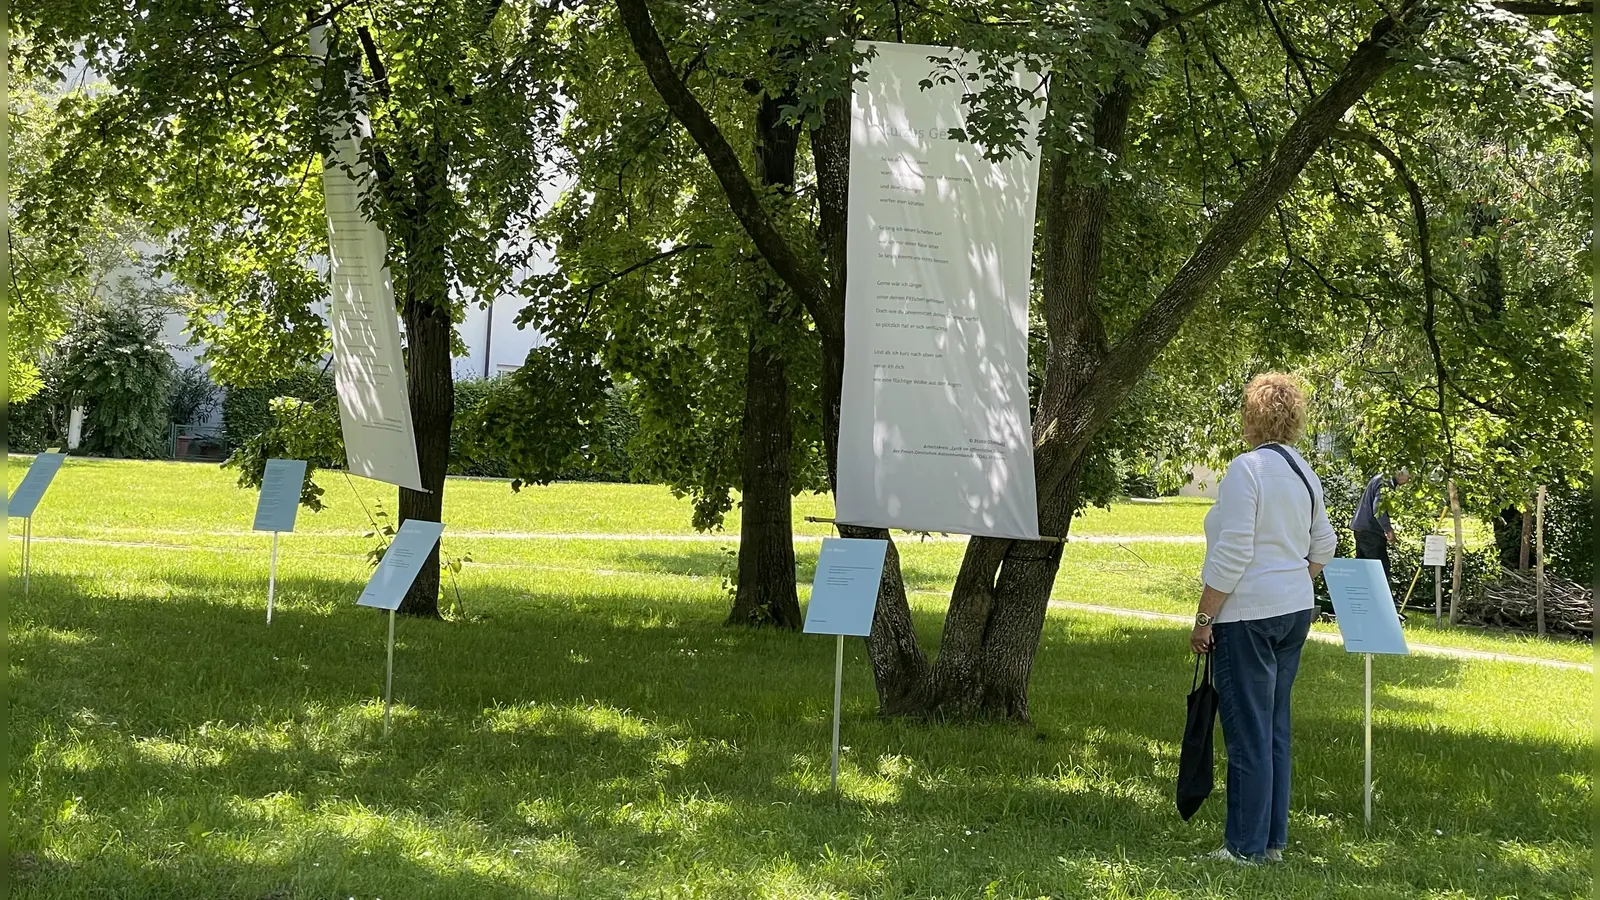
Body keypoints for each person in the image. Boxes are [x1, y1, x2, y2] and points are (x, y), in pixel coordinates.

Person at [1190, 374, 1337, 865]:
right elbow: (1325, 546)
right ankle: (1271, 842)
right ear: (1294, 419)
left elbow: (1232, 553)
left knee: (1249, 731)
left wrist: (1204, 617)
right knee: (1274, 727)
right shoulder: (1304, 472)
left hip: (1249, 614)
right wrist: (1294, 579)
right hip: (1294, 610)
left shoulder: (1246, 470)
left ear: (1251, 417)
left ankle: (1244, 847)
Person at [1351, 468, 1410, 584]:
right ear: (1401, 474)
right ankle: (1379, 600)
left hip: (1361, 529)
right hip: (1370, 532)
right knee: (1380, 570)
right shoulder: (1385, 483)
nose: (1407, 482)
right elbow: (1378, 509)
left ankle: (1361, 598)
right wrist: (1388, 530)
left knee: (1362, 569)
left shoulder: (1381, 478)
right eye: (1409, 478)